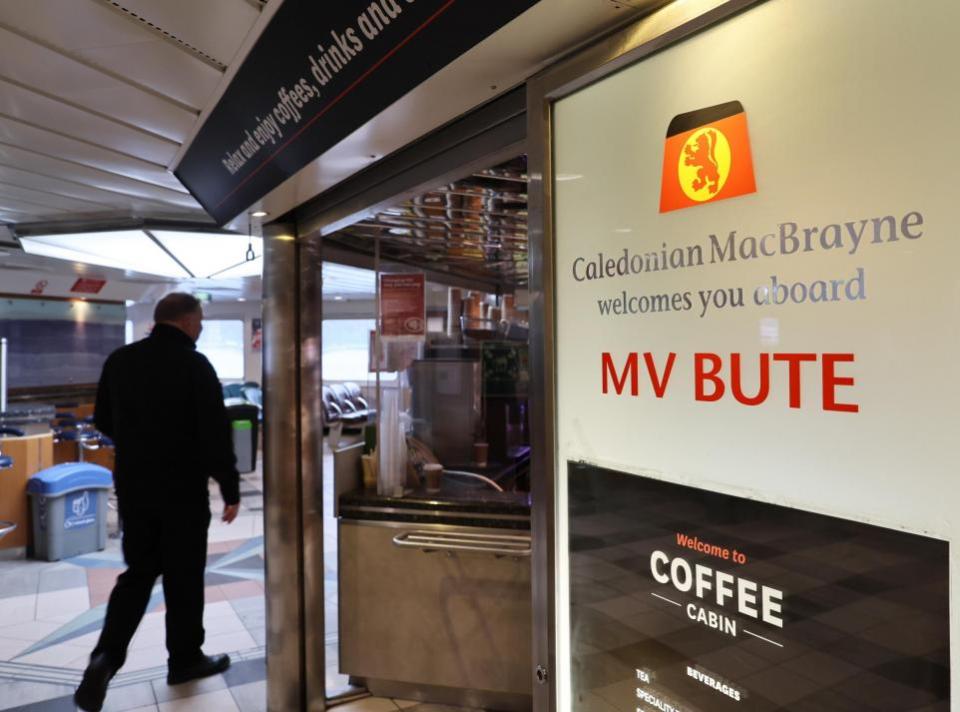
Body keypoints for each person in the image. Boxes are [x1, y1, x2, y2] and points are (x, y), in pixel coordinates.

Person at [74, 293, 241, 712]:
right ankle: (184, 660)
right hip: (182, 491)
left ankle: (105, 658)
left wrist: (139, 443)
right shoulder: (195, 365)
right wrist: (230, 486)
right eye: (200, 322)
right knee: (183, 578)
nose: (201, 330)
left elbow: (103, 420)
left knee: (139, 573)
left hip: (134, 488)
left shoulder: (120, 360)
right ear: (186, 322)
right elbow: (214, 434)